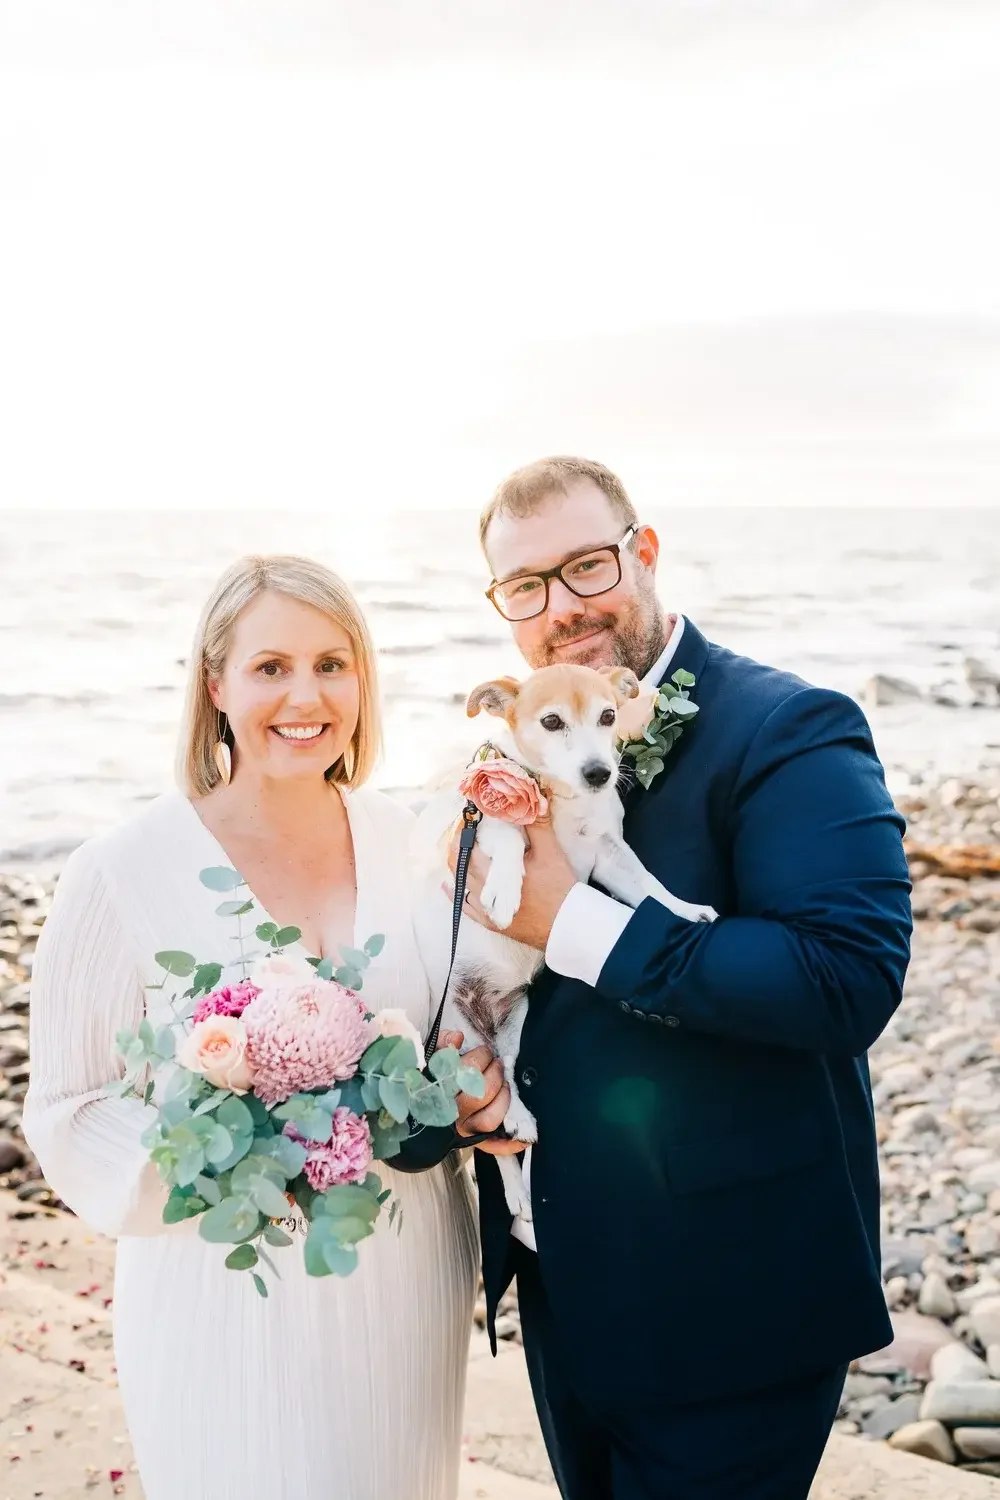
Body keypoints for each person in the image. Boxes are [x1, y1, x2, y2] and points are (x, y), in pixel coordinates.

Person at [456, 457, 913, 1500]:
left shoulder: (789, 725)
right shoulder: (518, 745)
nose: (560, 609)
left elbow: (845, 979)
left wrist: (570, 921)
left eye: (586, 567)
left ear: (645, 553)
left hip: (733, 1304)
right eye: (525, 586)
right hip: (564, 1284)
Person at [22, 554, 500, 1500]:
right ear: (215, 685)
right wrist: (241, 1151)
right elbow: (70, 1110)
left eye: (332, 664)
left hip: (403, 1270)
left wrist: (470, 1083)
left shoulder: (413, 843)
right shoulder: (122, 870)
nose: (305, 696)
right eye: (270, 667)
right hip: (224, 1284)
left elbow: (464, 1021)